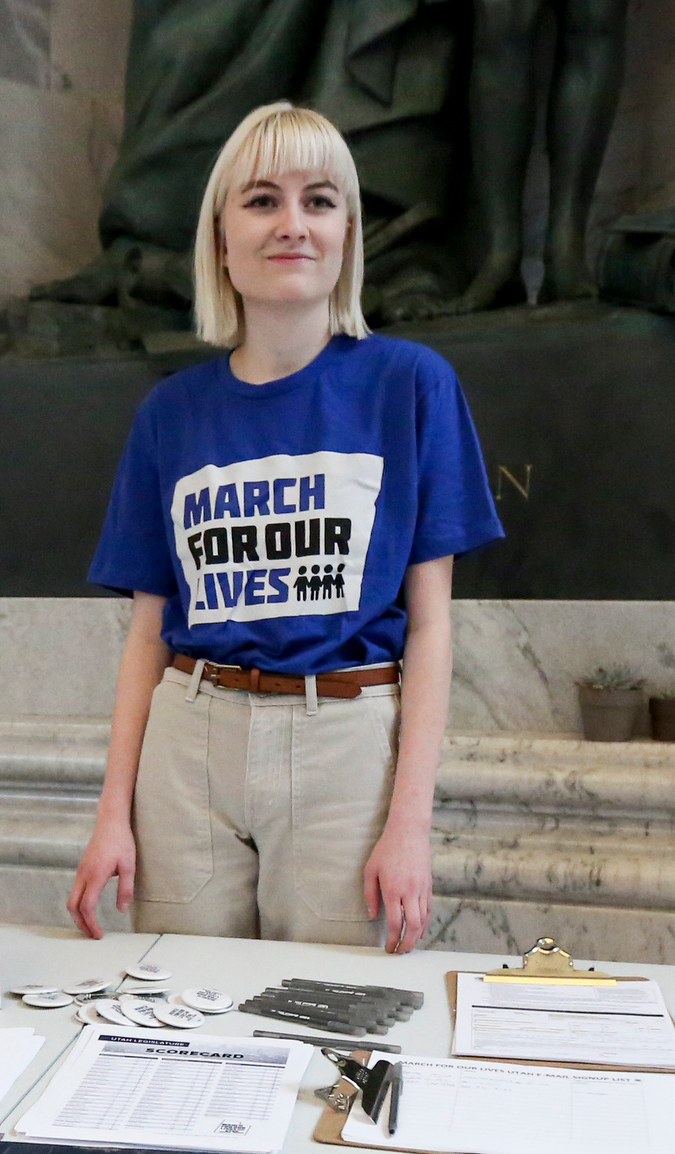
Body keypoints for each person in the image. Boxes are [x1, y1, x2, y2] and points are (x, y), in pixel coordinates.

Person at [67, 101, 503, 952]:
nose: (292, 224)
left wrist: (409, 826)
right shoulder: (171, 413)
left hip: (344, 743)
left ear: (347, 234)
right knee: (182, 1018)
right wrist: (110, 814)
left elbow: (435, 623)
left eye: (320, 200)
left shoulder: (410, 385)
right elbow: (146, 631)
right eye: (262, 200)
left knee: (333, 1022)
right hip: (189, 744)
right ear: (221, 239)